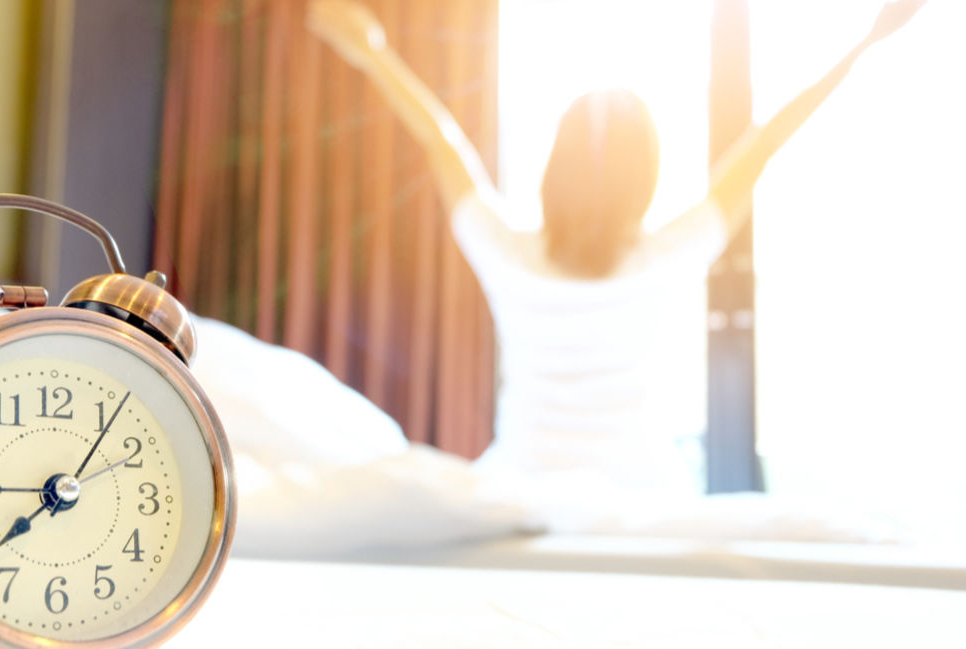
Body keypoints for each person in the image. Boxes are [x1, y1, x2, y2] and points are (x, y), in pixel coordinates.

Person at [308, 1, 926, 495]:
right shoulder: (664, 260)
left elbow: (441, 139)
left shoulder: (508, 257)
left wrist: (371, 50)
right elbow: (762, 146)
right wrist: (865, 42)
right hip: (645, 495)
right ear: (645, 181)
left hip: (520, 492)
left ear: (555, 168)